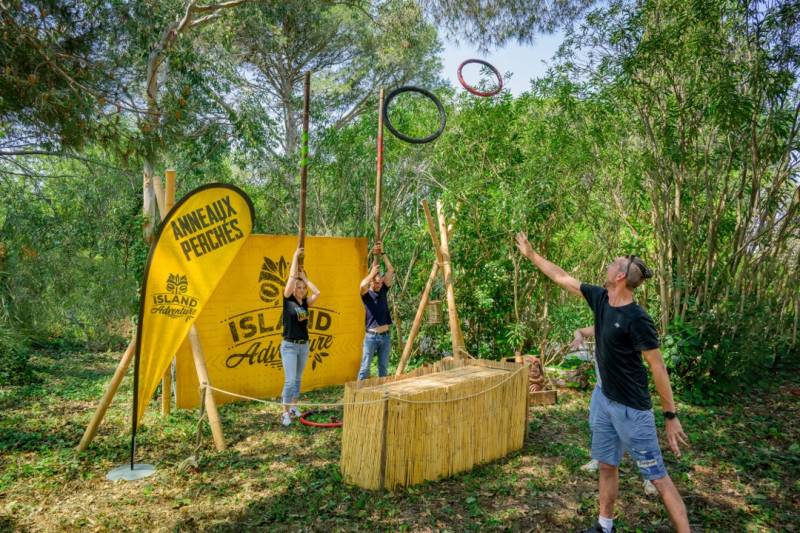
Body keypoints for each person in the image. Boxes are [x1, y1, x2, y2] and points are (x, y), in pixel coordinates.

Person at [515, 232, 690, 533]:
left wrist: (670, 416)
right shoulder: (600, 299)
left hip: (632, 411)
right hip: (604, 400)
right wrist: (531, 255)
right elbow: (561, 277)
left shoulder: (637, 318)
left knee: (658, 478)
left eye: (613, 263)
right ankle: (605, 526)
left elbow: (658, 367)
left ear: (620, 276)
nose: (608, 265)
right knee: (607, 464)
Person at [574, 326, 658, 497]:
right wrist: (578, 338)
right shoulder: (601, 324)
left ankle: (651, 477)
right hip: (602, 391)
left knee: (637, 438)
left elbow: (652, 360)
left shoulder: (628, 324)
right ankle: (599, 459)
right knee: (597, 426)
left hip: (627, 394)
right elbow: (580, 331)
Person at [279, 247, 320, 427]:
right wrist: (295, 257)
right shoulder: (288, 299)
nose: (301, 290)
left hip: (303, 345)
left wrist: (305, 279)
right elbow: (290, 278)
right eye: (299, 287)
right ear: (293, 288)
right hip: (289, 345)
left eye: (303, 288)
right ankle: (284, 413)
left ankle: (294, 407)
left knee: (297, 379)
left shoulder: (305, 303)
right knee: (289, 381)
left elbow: (317, 293)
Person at [357, 242, 395, 380]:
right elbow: (362, 285)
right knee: (365, 368)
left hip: (385, 336)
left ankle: (383, 392)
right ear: (371, 283)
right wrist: (371, 273)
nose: (379, 285)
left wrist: (383, 253)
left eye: (380, 282)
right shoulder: (366, 295)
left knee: (383, 368)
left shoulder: (383, 290)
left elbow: (390, 270)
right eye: (376, 283)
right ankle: (358, 391)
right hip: (371, 337)